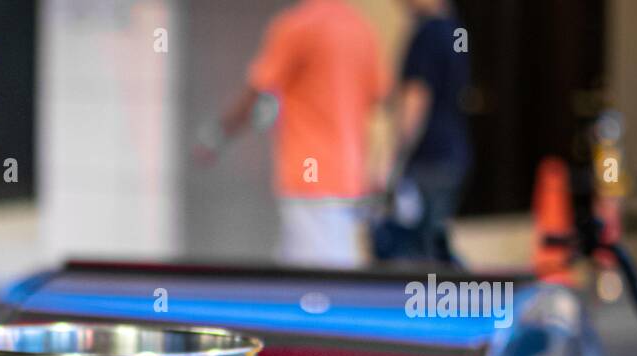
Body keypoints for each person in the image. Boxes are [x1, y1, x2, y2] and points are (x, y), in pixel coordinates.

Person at [196, 0, 390, 268]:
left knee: (321, 287)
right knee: (302, 275)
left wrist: (217, 135)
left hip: (311, 181)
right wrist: (379, 166)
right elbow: (378, 105)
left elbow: (255, 92)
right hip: (348, 179)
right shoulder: (361, 29)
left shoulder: (299, 25)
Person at [379, 0, 472, 264]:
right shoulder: (455, 30)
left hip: (429, 159)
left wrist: (393, 161)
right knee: (433, 242)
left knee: (419, 254)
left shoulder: (427, 34)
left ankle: (447, 301)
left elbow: (416, 100)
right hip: (452, 156)